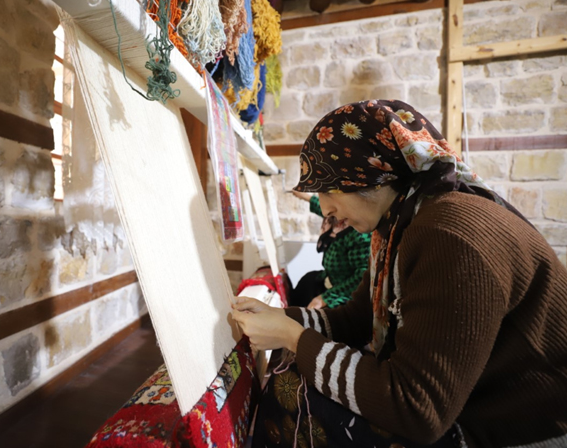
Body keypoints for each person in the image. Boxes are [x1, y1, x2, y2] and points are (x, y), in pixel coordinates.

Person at [232, 99, 567, 448]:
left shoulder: (449, 235)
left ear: (373, 176)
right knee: (293, 371)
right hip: (462, 399)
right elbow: (356, 318)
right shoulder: (396, 225)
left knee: (298, 402)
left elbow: (417, 409)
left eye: (330, 190)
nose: (326, 208)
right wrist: (280, 319)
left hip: (524, 426)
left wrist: (293, 337)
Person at [290, 194, 371, 310]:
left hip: (345, 292)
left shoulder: (360, 232)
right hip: (330, 279)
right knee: (306, 282)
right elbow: (323, 208)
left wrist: (326, 298)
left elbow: (362, 277)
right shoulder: (337, 219)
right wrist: (304, 196)